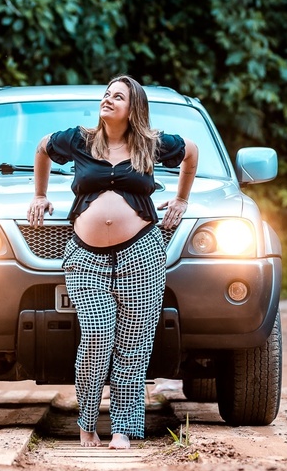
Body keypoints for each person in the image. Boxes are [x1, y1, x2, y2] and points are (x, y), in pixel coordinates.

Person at [27, 76, 198, 449]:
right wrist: (39, 195)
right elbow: (42, 149)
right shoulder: (79, 140)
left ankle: (123, 428)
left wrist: (182, 200)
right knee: (97, 335)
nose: (107, 99)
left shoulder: (151, 145)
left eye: (117, 96)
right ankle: (87, 421)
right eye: (106, 94)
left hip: (142, 252)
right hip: (85, 255)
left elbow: (191, 150)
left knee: (133, 344)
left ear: (132, 107)